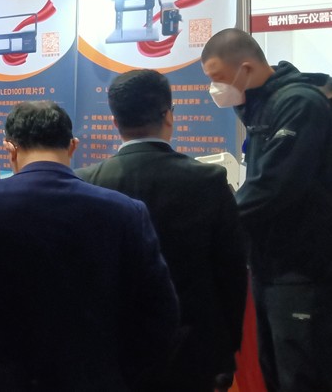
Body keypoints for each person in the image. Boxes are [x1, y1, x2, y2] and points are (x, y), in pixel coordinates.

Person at [0, 101, 179, 391]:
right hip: (95, 380)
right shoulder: (126, 211)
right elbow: (161, 312)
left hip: (5, 380)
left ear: (10, 149)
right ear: (73, 146)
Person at [77, 70, 248, 392]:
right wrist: (226, 354)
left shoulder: (87, 183)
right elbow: (231, 274)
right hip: (191, 355)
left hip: (113, 355)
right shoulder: (208, 181)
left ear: (115, 121)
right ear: (169, 115)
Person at [201, 28, 332, 391]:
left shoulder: (299, 104)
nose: (215, 88)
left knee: (303, 376)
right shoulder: (261, 105)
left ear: (246, 68)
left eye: (219, 78)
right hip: (271, 267)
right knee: (275, 373)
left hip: (307, 271)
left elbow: (274, 185)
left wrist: (216, 219)